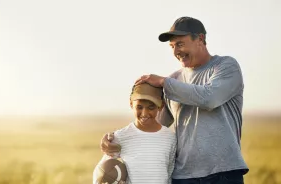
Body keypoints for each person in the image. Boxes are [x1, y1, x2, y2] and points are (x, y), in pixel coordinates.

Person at [101, 16, 249, 184]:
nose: (175, 52)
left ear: (200, 39)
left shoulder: (226, 66)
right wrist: (115, 139)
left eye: (180, 44)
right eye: (172, 46)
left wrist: (164, 82)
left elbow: (210, 98)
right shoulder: (174, 81)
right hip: (183, 177)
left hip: (224, 173)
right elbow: (151, 126)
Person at [94, 83, 177, 184]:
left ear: (161, 106)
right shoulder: (120, 136)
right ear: (131, 104)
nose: (144, 113)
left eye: (151, 107)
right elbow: (101, 171)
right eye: (139, 107)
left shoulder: (170, 138)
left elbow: (169, 174)